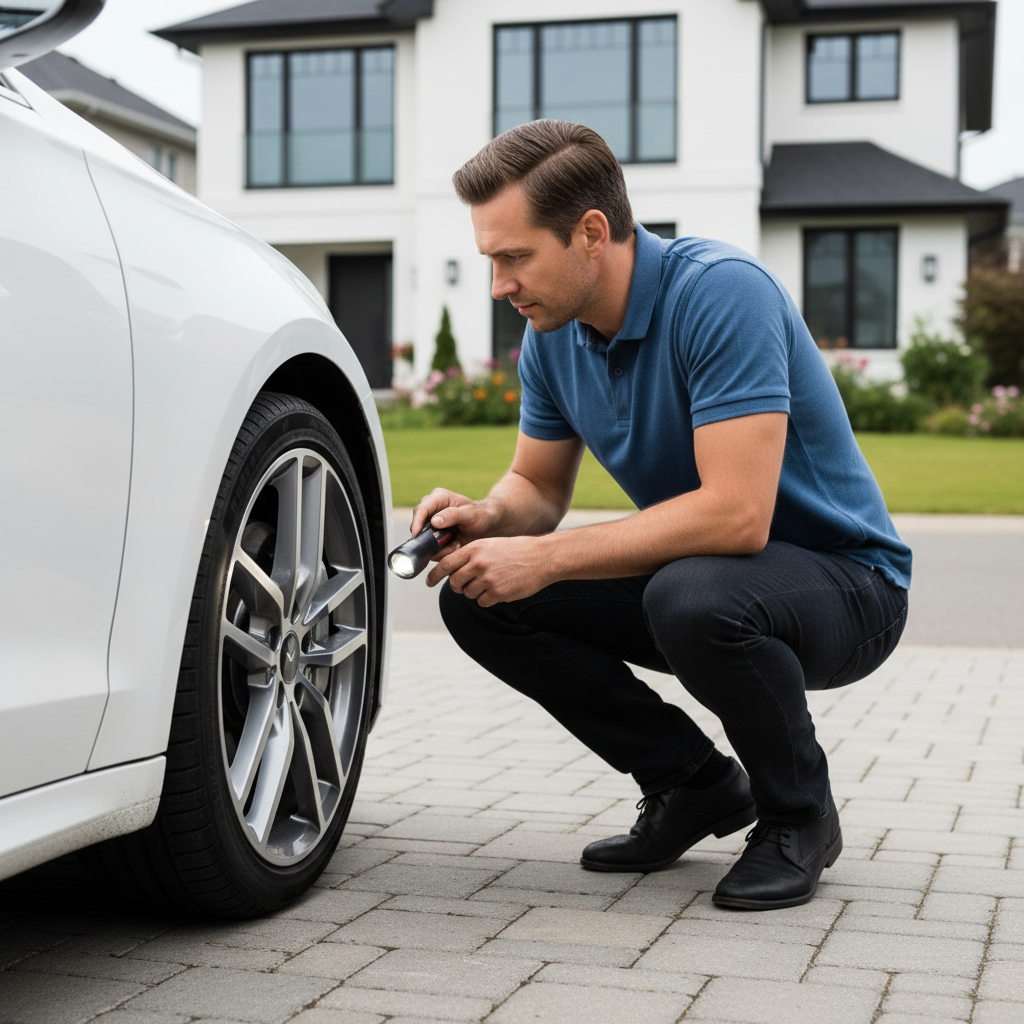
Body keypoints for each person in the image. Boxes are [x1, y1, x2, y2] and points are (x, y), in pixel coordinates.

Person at [411, 120, 910, 910]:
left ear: (591, 234)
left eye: (514, 257)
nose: (500, 284)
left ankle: (799, 816)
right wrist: (488, 517)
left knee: (693, 595)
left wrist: (544, 557)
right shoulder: (552, 335)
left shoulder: (719, 293)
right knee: (482, 599)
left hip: (850, 587)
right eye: (490, 261)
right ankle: (693, 783)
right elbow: (537, 489)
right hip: (710, 580)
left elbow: (738, 517)